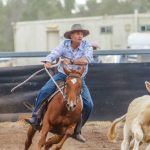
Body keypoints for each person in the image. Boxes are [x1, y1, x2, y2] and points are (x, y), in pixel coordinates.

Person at [25, 24, 94, 142]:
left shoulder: (87, 46)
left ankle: (77, 130)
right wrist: (48, 60)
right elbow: (55, 53)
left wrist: (71, 60)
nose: (80, 36)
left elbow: (86, 60)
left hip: (78, 78)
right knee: (45, 90)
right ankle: (35, 117)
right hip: (63, 75)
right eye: (77, 33)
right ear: (71, 36)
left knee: (89, 105)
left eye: (81, 34)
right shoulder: (64, 44)